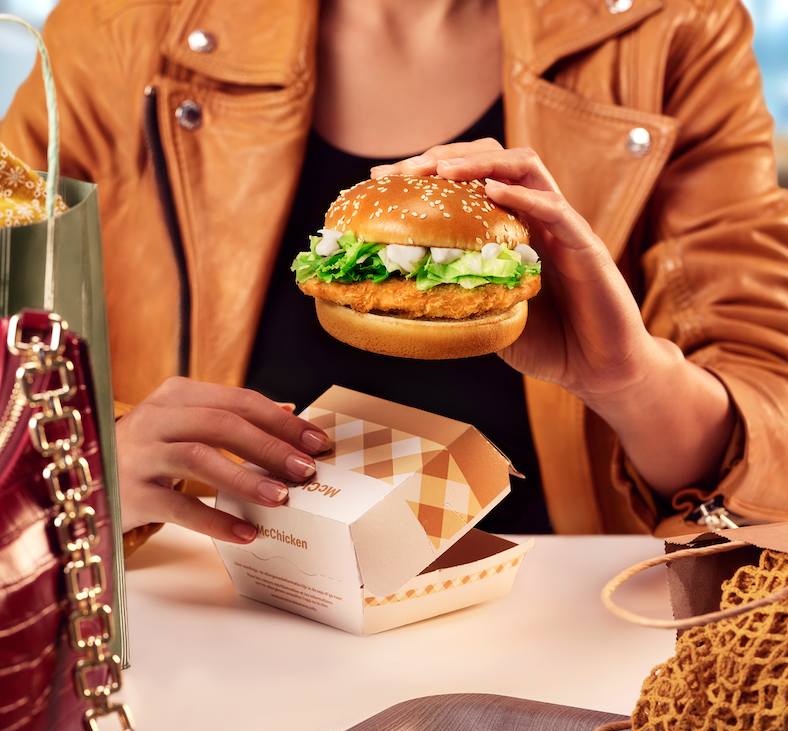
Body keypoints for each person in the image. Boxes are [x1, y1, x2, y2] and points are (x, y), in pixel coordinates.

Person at [2, 0, 787, 554]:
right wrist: (78, 461)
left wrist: (629, 381)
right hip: (215, 611)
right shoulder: (110, 32)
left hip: (555, 623)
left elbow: (770, 447)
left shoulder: (678, 26)